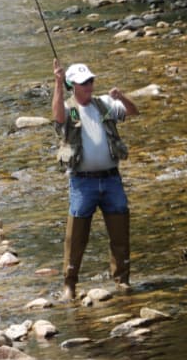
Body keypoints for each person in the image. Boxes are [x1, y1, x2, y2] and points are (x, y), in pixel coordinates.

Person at [52, 58, 139, 299]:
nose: (89, 85)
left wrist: (121, 97)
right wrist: (58, 84)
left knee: (120, 233)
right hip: (82, 183)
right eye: (83, 82)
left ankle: (122, 281)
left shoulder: (105, 104)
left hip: (112, 180)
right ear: (73, 86)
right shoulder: (69, 107)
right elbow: (58, 118)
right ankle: (69, 284)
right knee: (76, 237)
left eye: (90, 80)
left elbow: (133, 112)